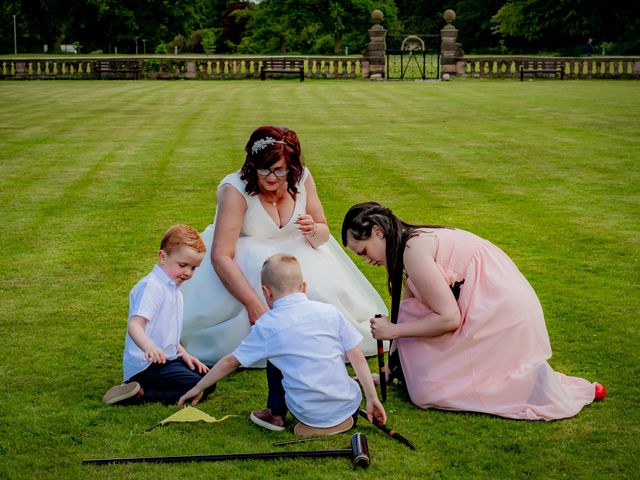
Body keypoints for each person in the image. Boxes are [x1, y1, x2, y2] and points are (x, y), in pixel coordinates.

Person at [342, 202, 606, 421]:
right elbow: (410, 312)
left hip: (497, 310)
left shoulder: (413, 250)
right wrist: (390, 370)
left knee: (425, 392)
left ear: (378, 232)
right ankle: (530, 380)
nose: (366, 261)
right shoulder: (408, 244)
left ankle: (534, 382)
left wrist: (393, 330)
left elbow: (449, 319)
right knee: (420, 381)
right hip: (490, 302)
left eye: (363, 251)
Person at [180, 126, 387, 365]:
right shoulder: (234, 189)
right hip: (245, 264)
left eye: (279, 170)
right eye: (264, 169)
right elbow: (221, 255)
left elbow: (323, 234)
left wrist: (313, 230)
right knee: (262, 268)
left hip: (297, 256)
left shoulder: (302, 178)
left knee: (315, 292)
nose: (270, 177)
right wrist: (253, 304)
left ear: (292, 166)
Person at [178, 253, 386, 435]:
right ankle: (333, 415)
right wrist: (371, 398)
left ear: (266, 292)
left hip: (308, 413)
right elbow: (356, 356)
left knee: (275, 353)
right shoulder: (329, 311)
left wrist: (199, 386)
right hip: (348, 404)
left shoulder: (268, 325)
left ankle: (276, 414)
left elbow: (231, 361)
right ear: (304, 287)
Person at [102, 224, 215, 405]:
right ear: (163, 257)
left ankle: (142, 389)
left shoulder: (174, 289)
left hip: (167, 359)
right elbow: (135, 325)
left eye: (194, 268)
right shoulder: (152, 287)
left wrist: (185, 355)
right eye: (183, 265)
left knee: (207, 377)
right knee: (197, 385)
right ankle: (140, 394)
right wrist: (149, 348)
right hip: (147, 366)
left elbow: (167, 334)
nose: (188, 272)